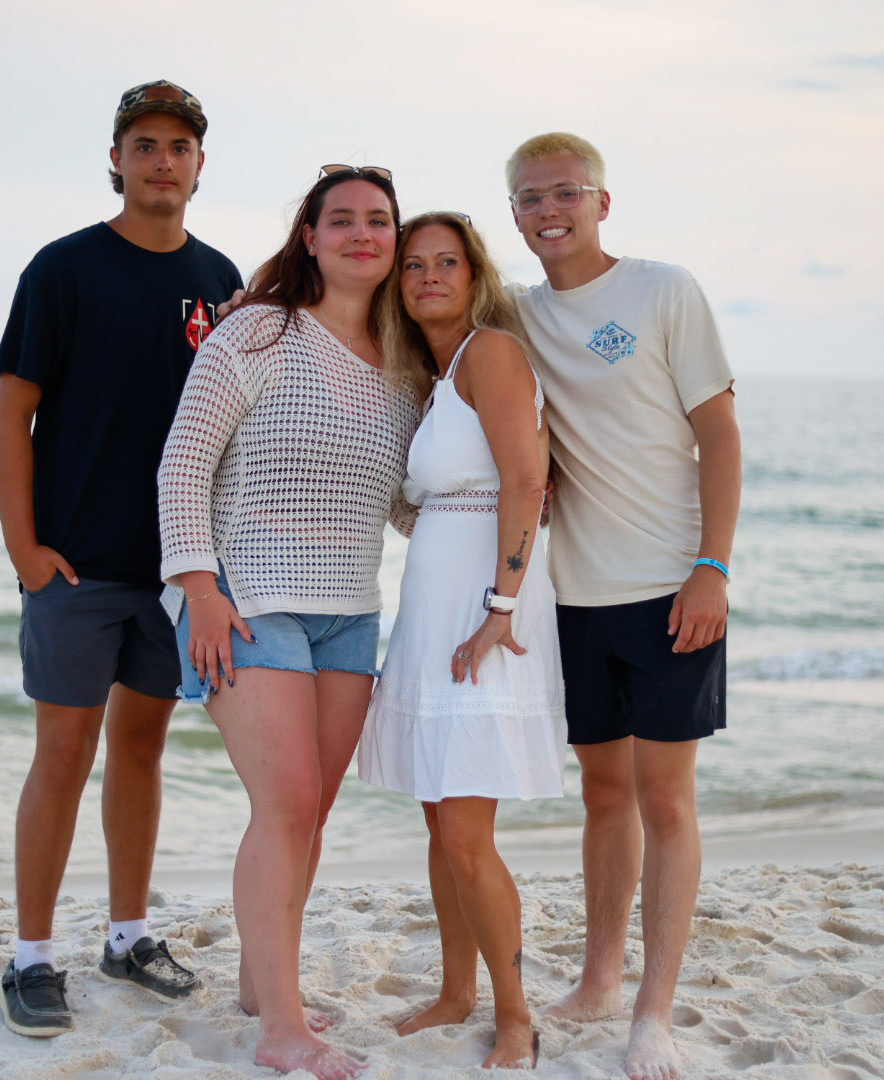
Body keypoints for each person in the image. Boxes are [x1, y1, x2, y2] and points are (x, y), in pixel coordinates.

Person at [0, 79, 242, 1038]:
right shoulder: (64, 269)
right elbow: (12, 412)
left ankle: (127, 938)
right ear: (117, 159)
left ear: (200, 164)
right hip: (77, 568)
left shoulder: (220, 280)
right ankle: (31, 958)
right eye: (145, 145)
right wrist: (25, 548)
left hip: (174, 572)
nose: (162, 161)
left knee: (142, 749)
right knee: (63, 754)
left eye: (179, 146)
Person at [156, 165, 420, 1080]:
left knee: (312, 814)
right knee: (289, 804)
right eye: (341, 219)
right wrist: (198, 590)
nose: (361, 234)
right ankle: (281, 1027)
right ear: (309, 237)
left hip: (350, 611)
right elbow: (183, 465)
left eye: (378, 220)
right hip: (243, 597)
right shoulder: (257, 332)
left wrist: (504, 507)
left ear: (395, 240)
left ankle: (258, 984)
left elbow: (402, 503)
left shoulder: (406, 366)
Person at [504, 133, 741, 1080]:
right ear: (515, 215)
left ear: (602, 202)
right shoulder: (517, 314)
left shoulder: (664, 290)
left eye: (566, 192)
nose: (549, 211)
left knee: (665, 799)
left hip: (671, 587)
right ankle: (601, 979)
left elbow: (719, 434)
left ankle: (655, 1011)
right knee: (603, 793)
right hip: (574, 595)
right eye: (530, 198)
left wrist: (712, 566)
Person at [357, 212, 564, 1070]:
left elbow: (526, 480)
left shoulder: (491, 353)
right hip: (435, 610)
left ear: (474, 276)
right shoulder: (436, 377)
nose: (429, 277)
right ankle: (456, 992)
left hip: (487, 613)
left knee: (468, 834)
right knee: (442, 823)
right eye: (413, 265)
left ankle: (515, 1016)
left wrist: (500, 607)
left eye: (447, 263)